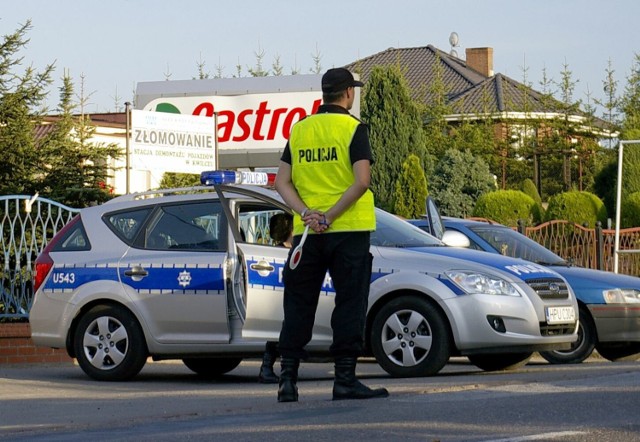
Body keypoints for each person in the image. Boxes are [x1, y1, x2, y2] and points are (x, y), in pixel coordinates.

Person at [274, 67, 389, 402]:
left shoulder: (300, 130)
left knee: (298, 304)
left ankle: (288, 381)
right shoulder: (353, 129)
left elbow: (282, 181)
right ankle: (345, 380)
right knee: (349, 304)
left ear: (324, 94)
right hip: (348, 231)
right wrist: (331, 216)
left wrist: (306, 214)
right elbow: (362, 181)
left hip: (307, 234)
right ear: (348, 94)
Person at [257, 212, 293, 384]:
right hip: (281, 300)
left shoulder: (282, 250)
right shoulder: (279, 254)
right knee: (279, 329)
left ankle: (268, 368)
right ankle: (267, 368)